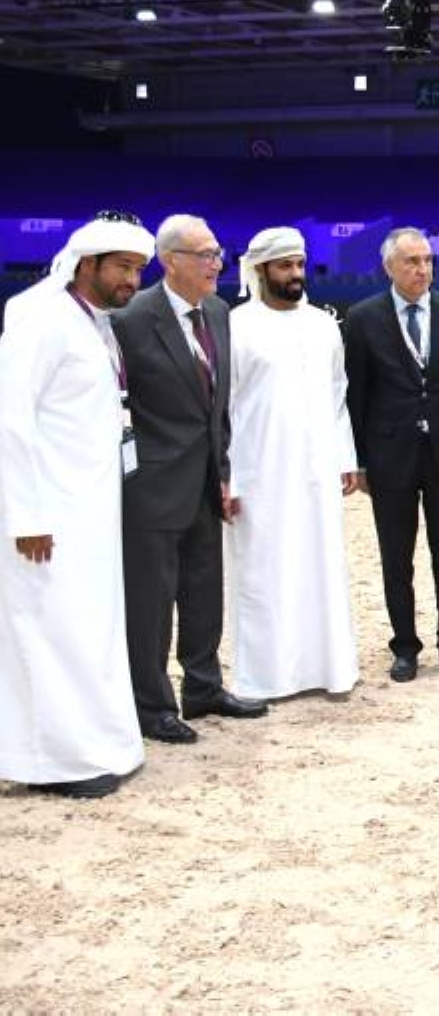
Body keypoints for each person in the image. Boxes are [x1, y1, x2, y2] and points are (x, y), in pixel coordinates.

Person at [0, 214, 153, 798]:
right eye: (121, 267)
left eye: (139, 269)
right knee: (50, 632)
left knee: (86, 630)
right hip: (47, 515)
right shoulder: (39, 317)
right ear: (85, 264)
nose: (131, 280)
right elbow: (12, 421)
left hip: (89, 510)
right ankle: (56, 762)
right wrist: (27, 516)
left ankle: (96, 744)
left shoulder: (94, 322)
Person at [114, 213, 267, 744]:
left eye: (218, 253)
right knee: (152, 604)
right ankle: (152, 705)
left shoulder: (220, 312)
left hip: (206, 480)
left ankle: (203, 687)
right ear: (170, 260)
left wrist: (224, 471)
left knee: (204, 591)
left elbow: (217, 406)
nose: (216, 263)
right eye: (205, 255)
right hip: (151, 488)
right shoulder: (131, 318)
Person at [226, 228, 362, 702]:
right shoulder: (236, 325)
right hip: (258, 472)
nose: (295, 275)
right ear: (261, 270)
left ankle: (329, 668)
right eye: (284, 266)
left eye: (300, 265)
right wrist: (230, 476)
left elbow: (337, 395)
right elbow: (224, 408)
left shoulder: (323, 325)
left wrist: (345, 456)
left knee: (321, 564)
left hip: (319, 469)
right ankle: (266, 677)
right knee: (264, 569)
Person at [344, 227, 439, 683]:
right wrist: (360, 460)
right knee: (395, 558)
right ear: (389, 267)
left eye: (426, 260)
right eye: (411, 262)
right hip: (389, 458)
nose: (422, 269)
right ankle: (404, 647)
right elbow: (357, 394)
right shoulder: (362, 319)